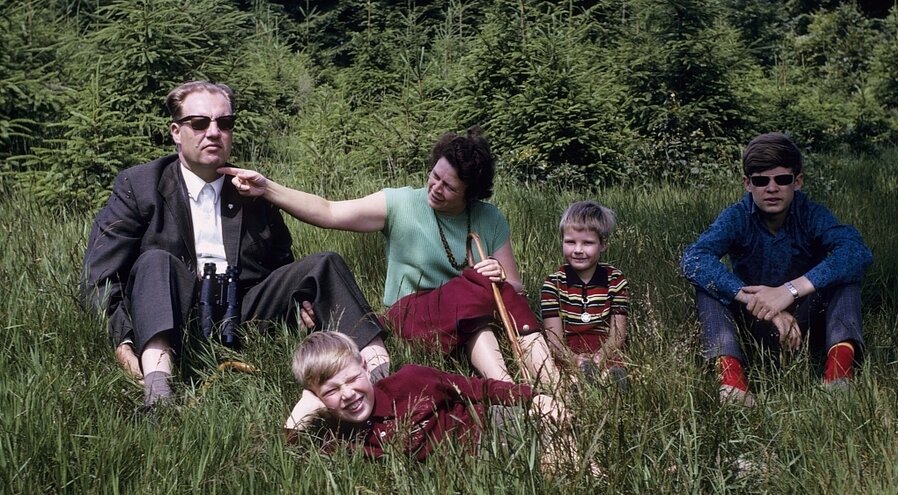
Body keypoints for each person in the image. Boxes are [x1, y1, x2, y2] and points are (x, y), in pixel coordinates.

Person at [79, 80, 389, 408]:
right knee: (156, 260)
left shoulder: (251, 188)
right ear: (175, 131)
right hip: (171, 314)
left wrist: (300, 306)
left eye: (224, 123)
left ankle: (382, 376)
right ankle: (158, 393)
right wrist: (123, 339)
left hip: (241, 311)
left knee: (325, 263)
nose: (213, 132)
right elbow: (99, 276)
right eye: (199, 123)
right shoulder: (140, 185)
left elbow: (282, 265)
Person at [219, 127, 561, 389]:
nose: (435, 187)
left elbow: (513, 286)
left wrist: (498, 272)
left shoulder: (489, 218)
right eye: (434, 175)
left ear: (470, 195)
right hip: (411, 314)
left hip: (467, 314)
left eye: (449, 187)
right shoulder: (400, 203)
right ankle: (521, 389)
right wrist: (269, 189)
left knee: (486, 302)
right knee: (475, 287)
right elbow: (329, 211)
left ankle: (533, 387)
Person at [680, 132, 873, 406]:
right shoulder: (736, 217)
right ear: (748, 184)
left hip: (808, 322)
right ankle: (732, 383)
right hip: (753, 320)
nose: (772, 188)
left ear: (798, 181)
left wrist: (788, 291)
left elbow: (857, 252)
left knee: (846, 277)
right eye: (761, 181)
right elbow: (693, 259)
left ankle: (838, 377)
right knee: (708, 288)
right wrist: (757, 300)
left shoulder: (811, 214)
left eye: (782, 179)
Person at [284, 331, 578, 468]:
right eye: (332, 391)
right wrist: (298, 418)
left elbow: (479, 387)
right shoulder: (344, 437)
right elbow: (294, 462)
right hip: (474, 466)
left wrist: (535, 397)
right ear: (318, 396)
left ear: (364, 366)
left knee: (562, 451)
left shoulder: (411, 380)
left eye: (351, 379)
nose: (348, 394)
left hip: (495, 426)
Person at [540, 201, 630, 390]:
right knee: (564, 375)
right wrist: (574, 359)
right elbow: (554, 338)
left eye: (587, 243)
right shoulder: (553, 283)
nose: (578, 250)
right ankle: (577, 385)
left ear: (603, 245)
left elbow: (618, 333)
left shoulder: (615, 279)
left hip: (605, 345)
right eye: (570, 242)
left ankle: (612, 381)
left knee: (613, 366)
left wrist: (599, 356)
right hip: (567, 348)